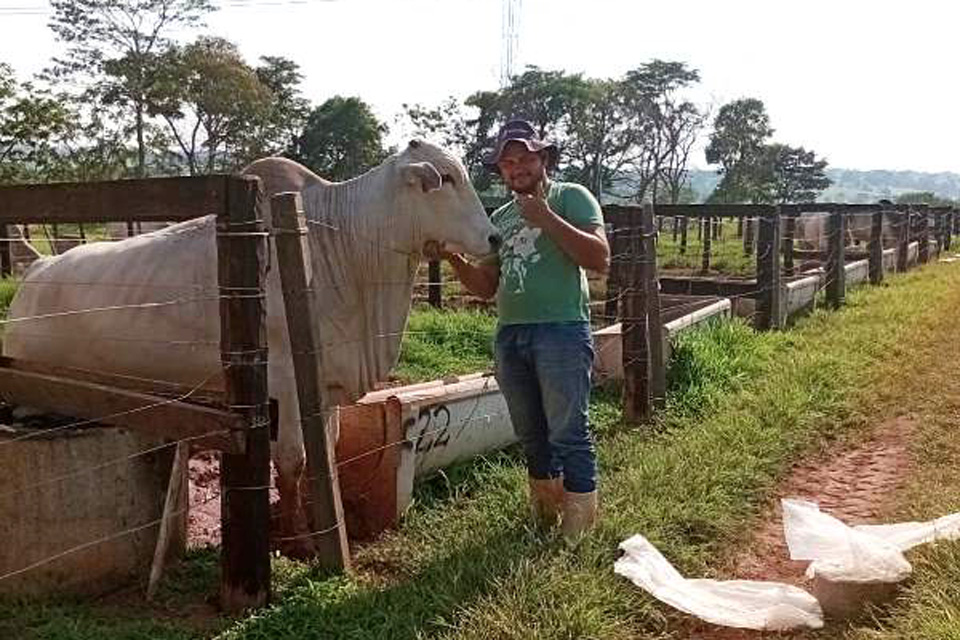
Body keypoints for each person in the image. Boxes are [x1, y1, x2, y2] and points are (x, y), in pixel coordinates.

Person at [433, 119, 610, 542]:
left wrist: (546, 218)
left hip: (561, 331)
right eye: (508, 163)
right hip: (511, 334)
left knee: (569, 429)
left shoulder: (571, 197)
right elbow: (486, 286)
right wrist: (452, 258)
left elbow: (599, 258)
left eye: (525, 158)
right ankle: (545, 512)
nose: (517, 168)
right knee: (531, 432)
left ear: (543, 158)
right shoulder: (502, 217)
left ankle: (578, 527)